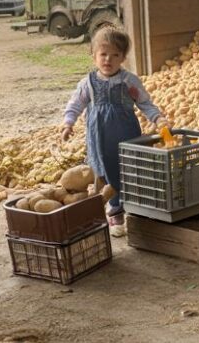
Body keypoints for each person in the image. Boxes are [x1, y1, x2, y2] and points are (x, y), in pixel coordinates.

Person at [61, 26, 170, 236]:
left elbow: (144, 103)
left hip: (126, 134)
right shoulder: (88, 83)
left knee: (130, 169)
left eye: (115, 55)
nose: (108, 60)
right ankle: (115, 211)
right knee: (104, 172)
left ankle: (136, 209)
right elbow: (76, 104)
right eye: (103, 54)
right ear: (94, 56)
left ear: (123, 58)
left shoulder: (129, 81)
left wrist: (157, 118)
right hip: (99, 137)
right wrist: (68, 123)